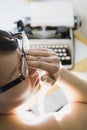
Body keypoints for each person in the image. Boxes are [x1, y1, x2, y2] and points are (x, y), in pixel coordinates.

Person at [0, 29, 87, 130]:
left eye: (24, 54)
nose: (34, 69)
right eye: (22, 70)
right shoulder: (49, 126)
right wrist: (61, 73)